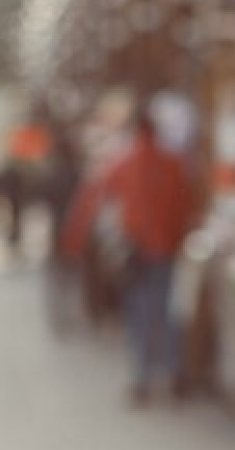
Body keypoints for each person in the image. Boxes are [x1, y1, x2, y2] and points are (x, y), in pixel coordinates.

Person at [62, 109, 195, 405]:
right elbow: (186, 207)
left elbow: (93, 201)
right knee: (168, 313)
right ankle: (172, 372)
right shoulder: (172, 164)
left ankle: (143, 378)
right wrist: (178, 238)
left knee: (139, 316)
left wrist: (74, 241)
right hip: (167, 250)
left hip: (136, 252)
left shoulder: (121, 163)